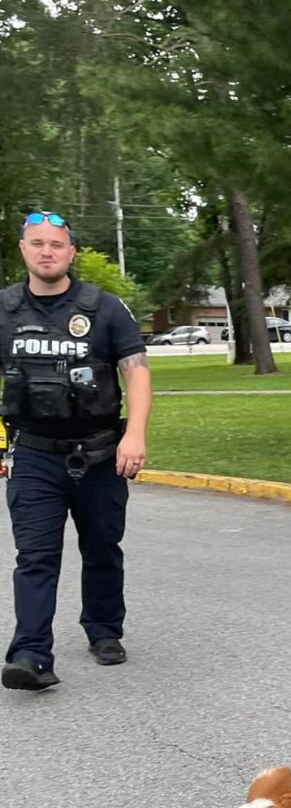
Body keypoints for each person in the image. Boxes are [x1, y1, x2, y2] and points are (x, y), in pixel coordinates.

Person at [0, 211, 151, 692]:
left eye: (57, 244)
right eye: (37, 243)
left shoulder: (104, 308)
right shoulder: (3, 310)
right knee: (35, 555)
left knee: (103, 547)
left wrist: (136, 435)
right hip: (34, 455)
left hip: (101, 453)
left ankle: (104, 630)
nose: (47, 251)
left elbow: (137, 371)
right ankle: (30, 653)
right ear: (23, 249)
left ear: (71, 253)